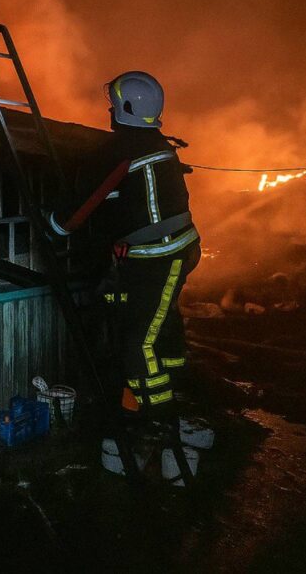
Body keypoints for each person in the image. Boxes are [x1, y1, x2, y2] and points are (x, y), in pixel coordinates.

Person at [48, 70, 200, 422]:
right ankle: (177, 386)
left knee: (137, 342)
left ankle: (158, 417)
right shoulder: (159, 144)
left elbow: (76, 214)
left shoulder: (116, 154)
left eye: (113, 104)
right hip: (169, 250)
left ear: (124, 109)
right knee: (161, 322)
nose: (109, 110)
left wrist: (53, 224)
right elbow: (130, 199)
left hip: (161, 257)